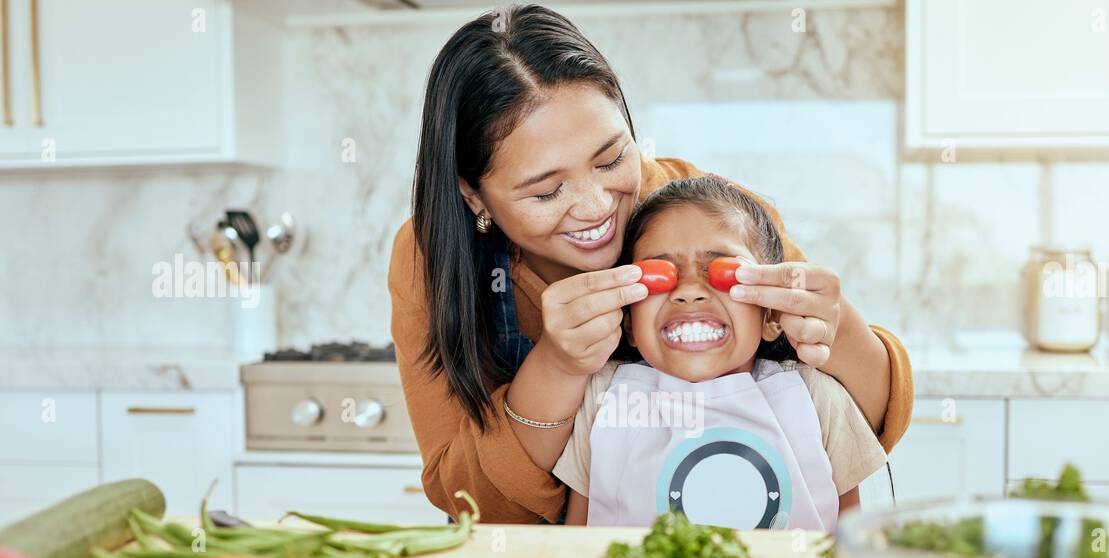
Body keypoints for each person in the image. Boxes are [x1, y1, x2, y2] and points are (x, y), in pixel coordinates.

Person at [388, 3, 913, 524]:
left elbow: (862, 425)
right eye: (547, 191)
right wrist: (558, 366)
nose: (596, 206)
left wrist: (834, 322)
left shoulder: (710, 216)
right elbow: (469, 503)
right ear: (474, 198)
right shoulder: (429, 258)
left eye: (613, 158)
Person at [552, 175, 887, 531]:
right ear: (630, 322)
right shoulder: (602, 398)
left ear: (772, 314)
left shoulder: (817, 396)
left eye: (722, 272)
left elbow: (853, 546)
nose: (690, 292)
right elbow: (577, 547)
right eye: (659, 275)